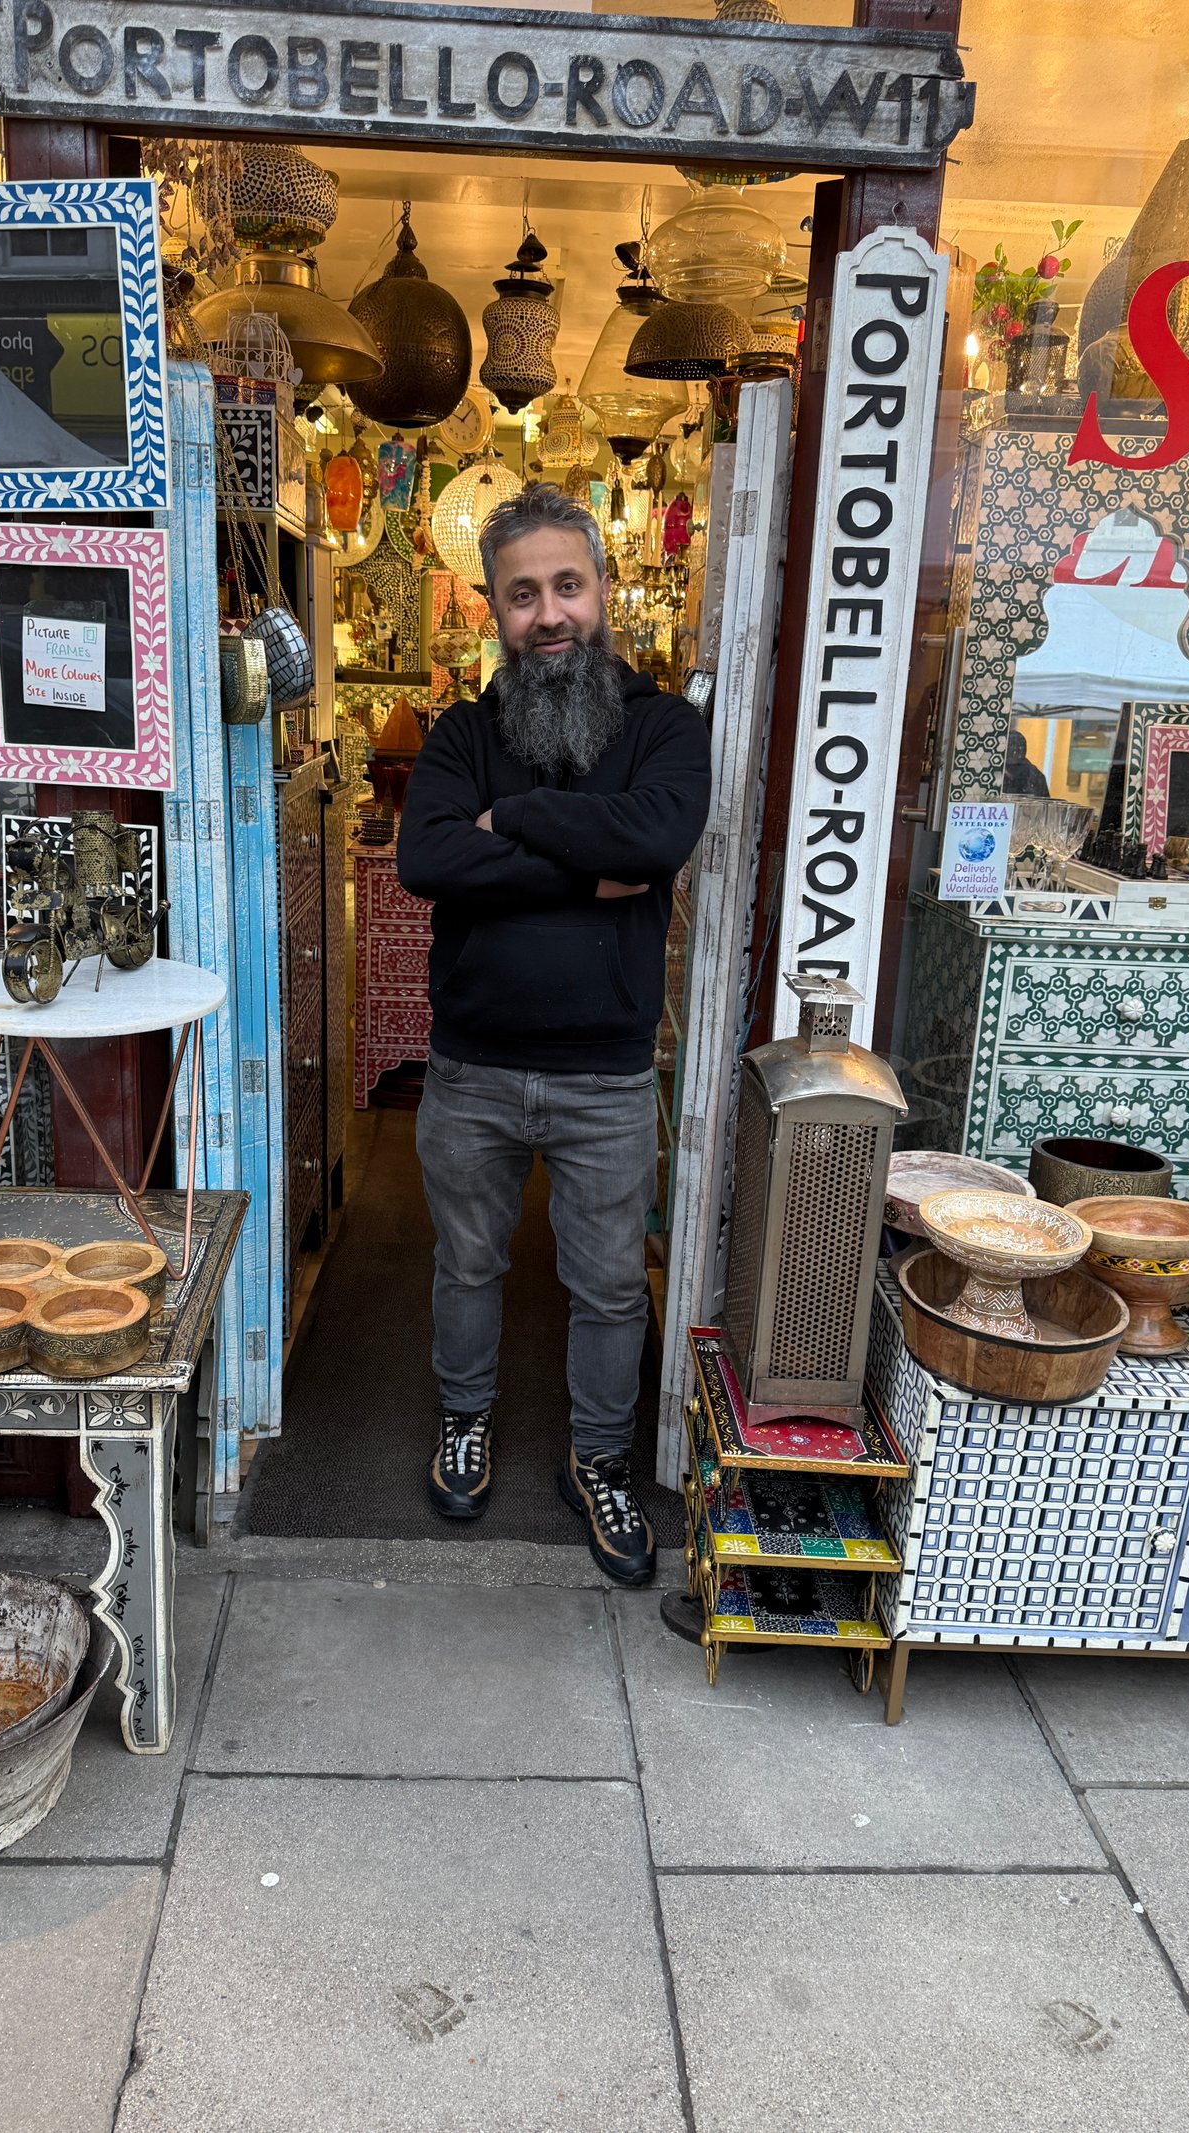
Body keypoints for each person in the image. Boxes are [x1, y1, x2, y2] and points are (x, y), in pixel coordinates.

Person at [396, 484, 712, 1585]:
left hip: (605, 1079)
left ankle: (600, 1459)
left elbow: (661, 833)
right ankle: (464, 1420)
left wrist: (517, 821)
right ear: (492, 608)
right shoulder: (461, 734)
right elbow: (426, 860)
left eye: (565, 586)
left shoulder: (664, 727)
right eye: (521, 594)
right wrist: (597, 867)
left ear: (603, 589)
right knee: (467, 1267)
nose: (547, 614)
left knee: (610, 1287)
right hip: (471, 1068)